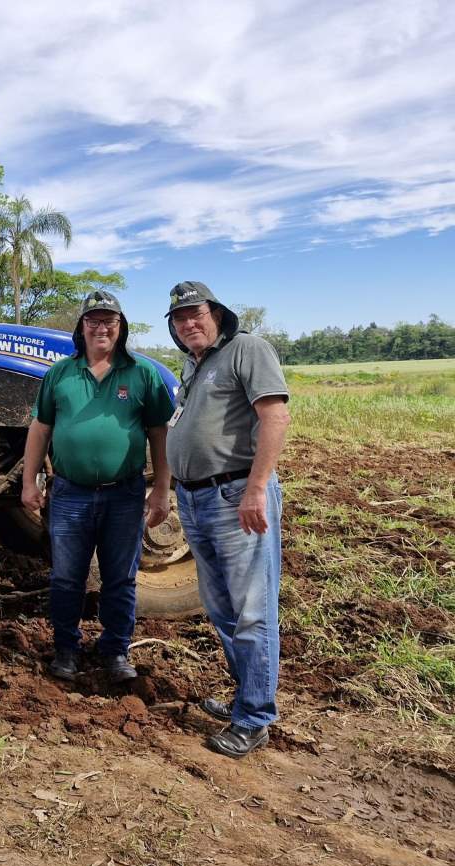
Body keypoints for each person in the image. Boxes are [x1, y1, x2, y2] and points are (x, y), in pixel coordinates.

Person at [21, 291, 174, 684]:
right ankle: (66, 649)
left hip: (124, 494)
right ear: (82, 327)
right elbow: (41, 429)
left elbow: (159, 432)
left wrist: (161, 488)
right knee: (66, 577)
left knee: (120, 577)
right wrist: (28, 480)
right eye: (93, 320)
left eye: (109, 321)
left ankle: (115, 650)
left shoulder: (142, 373)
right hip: (70, 493)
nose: (101, 327)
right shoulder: (60, 373)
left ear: (120, 328)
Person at [165, 281, 290, 758]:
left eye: (195, 313)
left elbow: (274, 418)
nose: (188, 323)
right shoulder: (193, 366)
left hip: (237, 494)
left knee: (253, 611)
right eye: (179, 318)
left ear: (216, 314)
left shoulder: (247, 350)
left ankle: (256, 717)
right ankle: (245, 698)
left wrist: (257, 489)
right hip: (195, 501)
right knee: (222, 611)